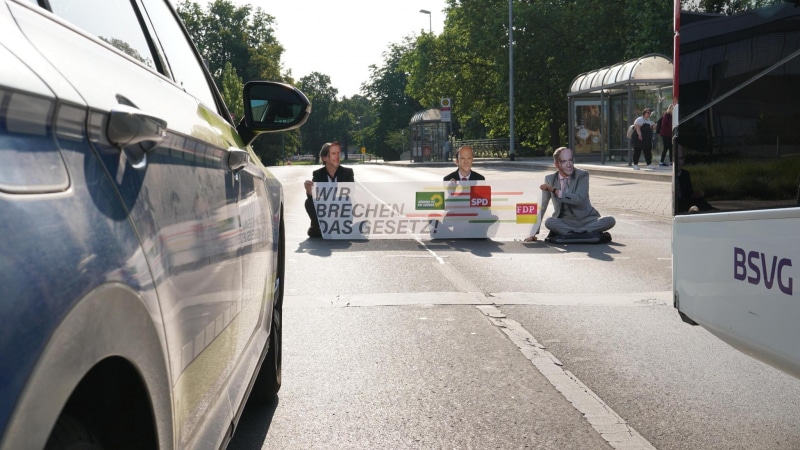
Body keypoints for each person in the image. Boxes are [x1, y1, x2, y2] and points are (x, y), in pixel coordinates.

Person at [524, 147, 615, 243]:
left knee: (610, 220)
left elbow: (578, 199)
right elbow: (542, 207)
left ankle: (572, 234)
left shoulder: (582, 175)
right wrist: (532, 233)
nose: (569, 165)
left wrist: (555, 190)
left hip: (587, 220)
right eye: (564, 161)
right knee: (550, 222)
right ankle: (585, 234)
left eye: (570, 160)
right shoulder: (550, 179)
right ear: (556, 164)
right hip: (565, 222)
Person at [304, 141, 355, 238]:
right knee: (308, 202)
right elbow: (314, 197)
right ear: (324, 158)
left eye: (338, 153)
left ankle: (332, 228)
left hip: (340, 209)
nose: (337, 156)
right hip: (324, 210)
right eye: (333, 154)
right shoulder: (317, 174)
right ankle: (319, 227)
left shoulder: (347, 172)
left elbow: (350, 194)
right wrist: (309, 191)